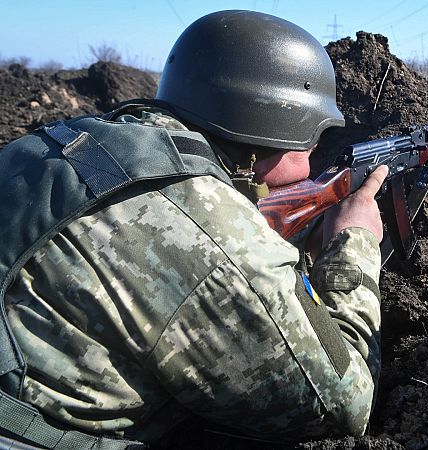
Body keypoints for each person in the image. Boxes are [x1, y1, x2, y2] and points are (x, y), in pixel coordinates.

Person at [0, 10, 386, 448]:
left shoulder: (64, 143)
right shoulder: (211, 241)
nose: (312, 163)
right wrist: (353, 244)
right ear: (276, 128)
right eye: (312, 144)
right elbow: (345, 407)